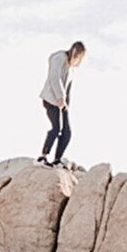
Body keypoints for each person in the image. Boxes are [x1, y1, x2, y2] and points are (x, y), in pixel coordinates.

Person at [38, 40, 86, 168]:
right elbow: (54, 77)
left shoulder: (71, 69)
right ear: (75, 53)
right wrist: (60, 98)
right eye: (78, 57)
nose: (78, 61)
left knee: (67, 132)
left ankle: (57, 160)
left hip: (62, 103)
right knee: (56, 128)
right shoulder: (60, 58)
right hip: (51, 99)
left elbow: (68, 88)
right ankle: (42, 157)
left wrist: (66, 106)